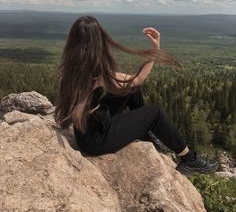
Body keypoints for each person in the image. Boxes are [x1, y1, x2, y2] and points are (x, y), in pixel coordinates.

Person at [54, 15, 219, 175]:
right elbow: (138, 79)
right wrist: (155, 50)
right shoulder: (96, 72)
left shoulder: (69, 67)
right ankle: (189, 159)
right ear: (97, 40)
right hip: (95, 139)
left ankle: (146, 132)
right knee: (154, 111)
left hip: (87, 128)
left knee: (131, 90)